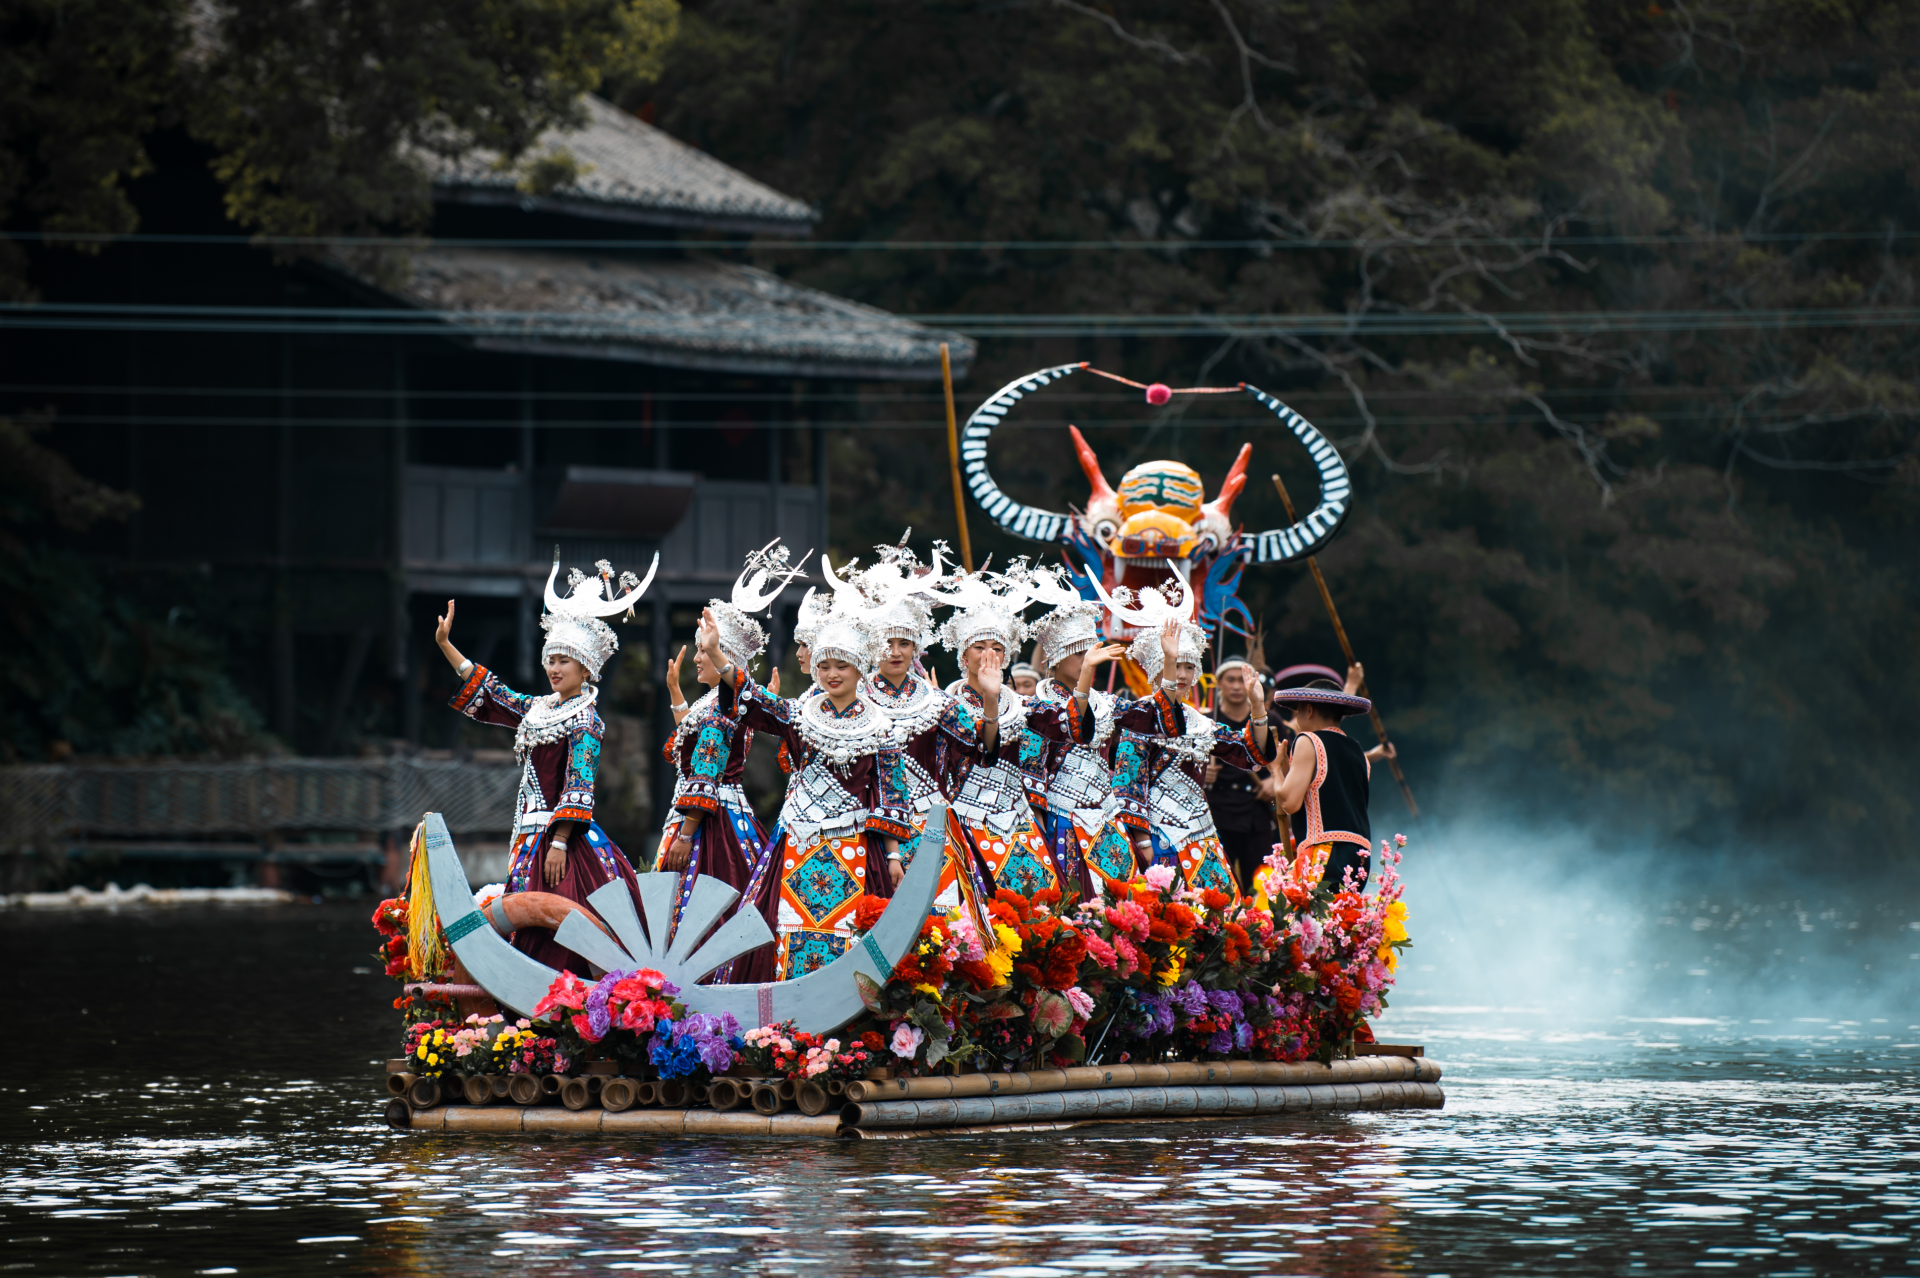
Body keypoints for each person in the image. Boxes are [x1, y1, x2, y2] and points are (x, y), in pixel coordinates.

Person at [703, 592, 990, 979]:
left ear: (859, 670)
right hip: (799, 841)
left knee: (856, 935)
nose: (832, 674)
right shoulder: (798, 715)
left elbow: (890, 795)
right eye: (825, 667)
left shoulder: (879, 727)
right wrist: (718, 655)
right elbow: (752, 696)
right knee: (786, 926)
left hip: (856, 846)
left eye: (842, 666)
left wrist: (892, 857)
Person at [435, 556, 654, 977]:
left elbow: (579, 784)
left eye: (563, 661)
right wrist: (447, 645)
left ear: (586, 668)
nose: (553, 669)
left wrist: (559, 842)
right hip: (529, 834)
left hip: (560, 841)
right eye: (550, 659)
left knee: (556, 923)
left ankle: (557, 1002)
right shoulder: (539, 709)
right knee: (526, 911)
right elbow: (493, 694)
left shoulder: (587, 719)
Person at [655, 541, 805, 983]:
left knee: (704, 910)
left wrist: (686, 831)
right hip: (709, 810)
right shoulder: (711, 702)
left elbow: (706, 767)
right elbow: (683, 755)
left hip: (708, 821)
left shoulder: (723, 703)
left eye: (704, 650)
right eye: (701, 649)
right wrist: (677, 698)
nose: (697, 657)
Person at [1100, 580, 1276, 897]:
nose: (1181, 675)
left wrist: (1258, 707)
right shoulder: (1139, 718)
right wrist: (1144, 847)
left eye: (1187, 667)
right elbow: (1128, 787)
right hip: (1157, 836)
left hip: (1200, 833)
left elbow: (1251, 754)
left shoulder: (1199, 722)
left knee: (1218, 919)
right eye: (1175, 666)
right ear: (1157, 670)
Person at [929, 567, 1097, 901]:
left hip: (1016, 823)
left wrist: (1086, 676)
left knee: (1036, 915)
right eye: (979, 647)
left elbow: (1077, 729)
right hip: (963, 822)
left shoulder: (1026, 706)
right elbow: (978, 754)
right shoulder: (943, 706)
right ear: (963, 655)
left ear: (1007, 656)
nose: (989, 655)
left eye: (997, 647)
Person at [1024, 567, 1133, 894]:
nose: (1091, 659)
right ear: (1056, 659)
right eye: (1080, 653)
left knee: (1120, 913)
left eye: (1092, 650)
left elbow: (1158, 718)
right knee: (1075, 909)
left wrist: (1170, 668)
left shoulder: (1109, 703)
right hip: (1061, 821)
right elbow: (1033, 773)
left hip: (1107, 819)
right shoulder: (1036, 707)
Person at [1270, 679, 1375, 891]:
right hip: (1360, 856)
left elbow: (1290, 802)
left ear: (1308, 710)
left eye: (1298, 711)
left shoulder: (1308, 740)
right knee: (1342, 920)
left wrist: (1274, 770)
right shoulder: (1359, 753)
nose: (1297, 719)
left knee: (1315, 921)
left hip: (1325, 852)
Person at [1205, 657, 1280, 893]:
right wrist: (1201, 773)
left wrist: (1275, 779)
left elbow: (1290, 761)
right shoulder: (1205, 721)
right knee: (1218, 886)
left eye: (1242, 680)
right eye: (1230, 680)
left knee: (1260, 885)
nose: (1237, 686)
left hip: (1257, 814)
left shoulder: (1270, 721)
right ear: (1219, 683)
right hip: (1217, 812)